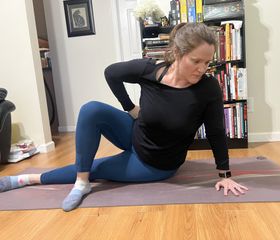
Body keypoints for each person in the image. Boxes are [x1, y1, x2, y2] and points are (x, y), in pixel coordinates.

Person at [0, 22, 248, 212]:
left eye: (207, 62)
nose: (202, 69)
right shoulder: (150, 70)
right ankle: (81, 182)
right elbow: (111, 73)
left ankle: (24, 179)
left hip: (154, 163)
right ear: (177, 52)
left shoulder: (207, 89)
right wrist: (129, 107)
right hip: (136, 133)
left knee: (98, 168)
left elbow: (216, 132)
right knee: (91, 109)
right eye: (196, 61)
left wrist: (225, 175)